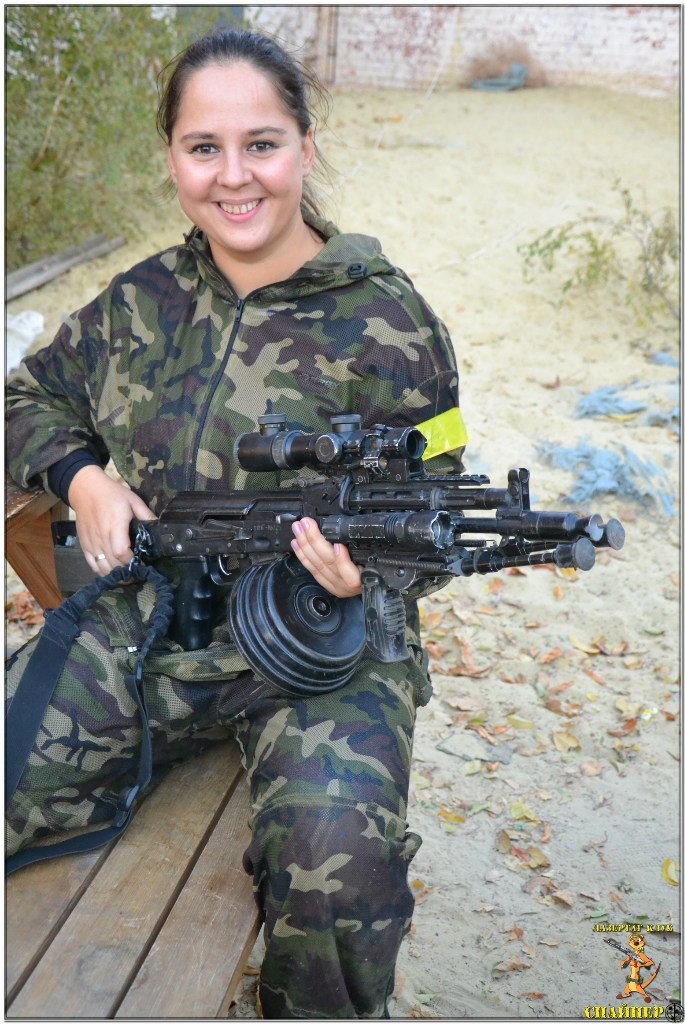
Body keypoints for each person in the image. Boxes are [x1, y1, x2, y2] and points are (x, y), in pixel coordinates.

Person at [5, 29, 466, 1019]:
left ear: (305, 145)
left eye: (261, 143)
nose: (233, 175)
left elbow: (440, 500)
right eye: (202, 147)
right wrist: (82, 479)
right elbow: (24, 398)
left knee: (336, 879)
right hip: (158, 618)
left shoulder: (391, 323)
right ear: (172, 157)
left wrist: (370, 576)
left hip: (329, 644)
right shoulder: (143, 303)